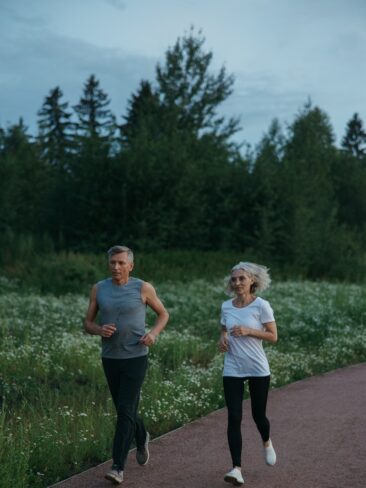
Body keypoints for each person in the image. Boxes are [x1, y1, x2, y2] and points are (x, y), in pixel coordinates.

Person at [84, 245, 169, 485]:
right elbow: (87, 323)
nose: (116, 267)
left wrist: (153, 333)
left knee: (124, 411)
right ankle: (141, 436)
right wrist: (99, 329)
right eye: (113, 262)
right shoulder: (99, 289)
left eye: (121, 263)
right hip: (110, 357)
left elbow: (164, 314)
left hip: (136, 357)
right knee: (125, 408)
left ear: (131, 265)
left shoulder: (143, 287)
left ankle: (118, 466)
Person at [218, 261, 278, 486]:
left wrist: (249, 331)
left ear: (252, 280)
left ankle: (266, 441)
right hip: (232, 367)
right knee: (234, 417)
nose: (237, 282)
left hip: (257, 368)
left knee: (258, 415)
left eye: (242, 278)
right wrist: (222, 339)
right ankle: (236, 468)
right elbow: (224, 328)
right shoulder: (226, 306)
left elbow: (273, 336)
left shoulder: (261, 305)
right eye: (234, 279)